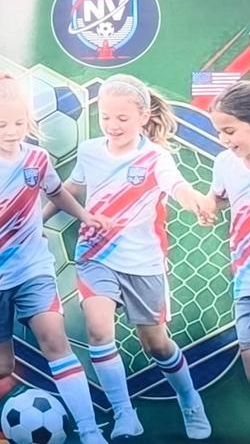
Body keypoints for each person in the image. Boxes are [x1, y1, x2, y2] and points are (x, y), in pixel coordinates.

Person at [0, 72, 109, 444]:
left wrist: (84, 215)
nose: (12, 131)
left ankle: (91, 431)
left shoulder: (38, 159)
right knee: (1, 365)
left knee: (56, 344)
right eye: (2, 124)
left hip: (34, 269)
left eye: (19, 123)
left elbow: (57, 193)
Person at [57, 74, 213, 440]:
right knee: (98, 329)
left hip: (143, 263)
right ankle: (125, 413)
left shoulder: (156, 157)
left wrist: (197, 206)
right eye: (105, 117)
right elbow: (71, 190)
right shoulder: (89, 151)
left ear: (143, 117)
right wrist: (31, 222)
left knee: (156, 345)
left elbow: (178, 188)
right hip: (95, 255)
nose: (112, 126)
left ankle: (190, 398)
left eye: (122, 118)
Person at [200, 81, 250, 389]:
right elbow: (217, 197)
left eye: (230, 131)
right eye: (219, 132)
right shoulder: (224, 163)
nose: (223, 140)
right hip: (246, 281)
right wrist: (207, 206)